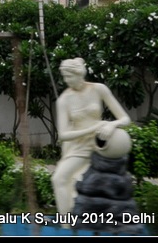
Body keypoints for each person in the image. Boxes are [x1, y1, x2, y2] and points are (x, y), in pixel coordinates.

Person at [51, 57, 131, 217]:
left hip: (102, 145)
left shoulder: (99, 89)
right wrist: (92, 128)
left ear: (79, 74)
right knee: (59, 178)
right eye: (64, 77)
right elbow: (63, 135)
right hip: (80, 147)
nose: (66, 81)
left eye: (69, 76)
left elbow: (125, 119)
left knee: (104, 184)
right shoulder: (64, 100)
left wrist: (111, 125)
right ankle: (67, 223)